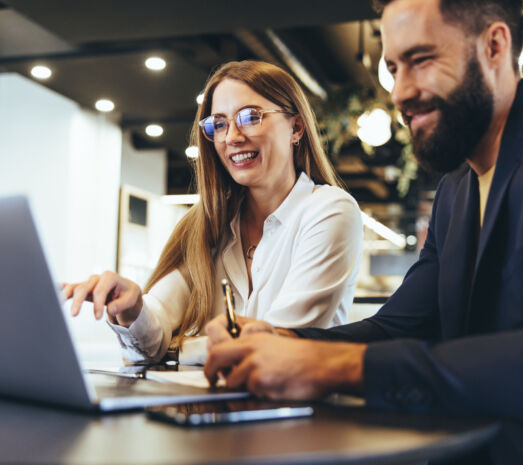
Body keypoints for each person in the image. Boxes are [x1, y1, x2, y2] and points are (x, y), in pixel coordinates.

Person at [204, 0, 523, 462]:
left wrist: (334, 365)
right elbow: (398, 327)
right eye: (393, 67)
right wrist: (283, 341)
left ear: (494, 45)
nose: (400, 91)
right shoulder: (456, 188)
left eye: (421, 60)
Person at [62, 60, 363, 364]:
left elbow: (277, 344)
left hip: (299, 408)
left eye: (250, 117)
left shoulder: (330, 211)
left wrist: (177, 349)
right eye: (218, 123)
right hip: (214, 408)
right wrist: (132, 309)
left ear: (296, 128)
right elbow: (156, 323)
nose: (232, 136)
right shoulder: (209, 225)